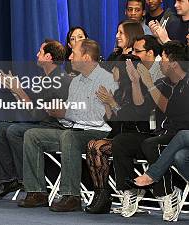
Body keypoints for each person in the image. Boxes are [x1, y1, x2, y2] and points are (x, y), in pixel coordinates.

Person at [18, 39, 115, 212]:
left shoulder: (105, 79)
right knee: (32, 135)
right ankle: (37, 192)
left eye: (74, 54)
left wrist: (66, 113)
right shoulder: (76, 81)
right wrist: (59, 114)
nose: (69, 57)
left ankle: (72, 196)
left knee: (69, 136)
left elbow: (103, 116)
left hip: (97, 132)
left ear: (85, 58)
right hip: (73, 129)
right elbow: (70, 116)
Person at [111, 41, 189, 221]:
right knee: (122, 142)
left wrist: (149, 83)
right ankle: (130, 191)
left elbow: (170, 109)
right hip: (159, 133)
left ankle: (168, 194)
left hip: (178, 134)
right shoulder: (162, 82)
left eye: (164, 59)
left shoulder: (186, 83)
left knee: (151, 145)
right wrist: (137, 82)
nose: (160, 62)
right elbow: (141, 107)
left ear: (174, 63)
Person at [0, 39, 71, 200]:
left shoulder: (60, 80)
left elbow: (39, 113)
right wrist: (15, 91)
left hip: (59, 128)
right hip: (46, 124)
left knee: (14, 131)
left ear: (48, 57)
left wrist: (19, 90)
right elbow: (34, 111)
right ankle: (8, 180)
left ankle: (30, 181)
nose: (36, 54)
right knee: (1, 128)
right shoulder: (45, 78)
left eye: (40, 52)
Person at [84, 55, 153, 214]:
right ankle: (101, 192)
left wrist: (112, 102)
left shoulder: (140, 89)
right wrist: (107, 103)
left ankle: (109, 195)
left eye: (114, 67)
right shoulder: (119, 90)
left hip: (138, 136)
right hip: (120, 137)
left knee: (100, 146)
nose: (112, 71)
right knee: (92, 145)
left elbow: (134, 116)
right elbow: (114, 123)